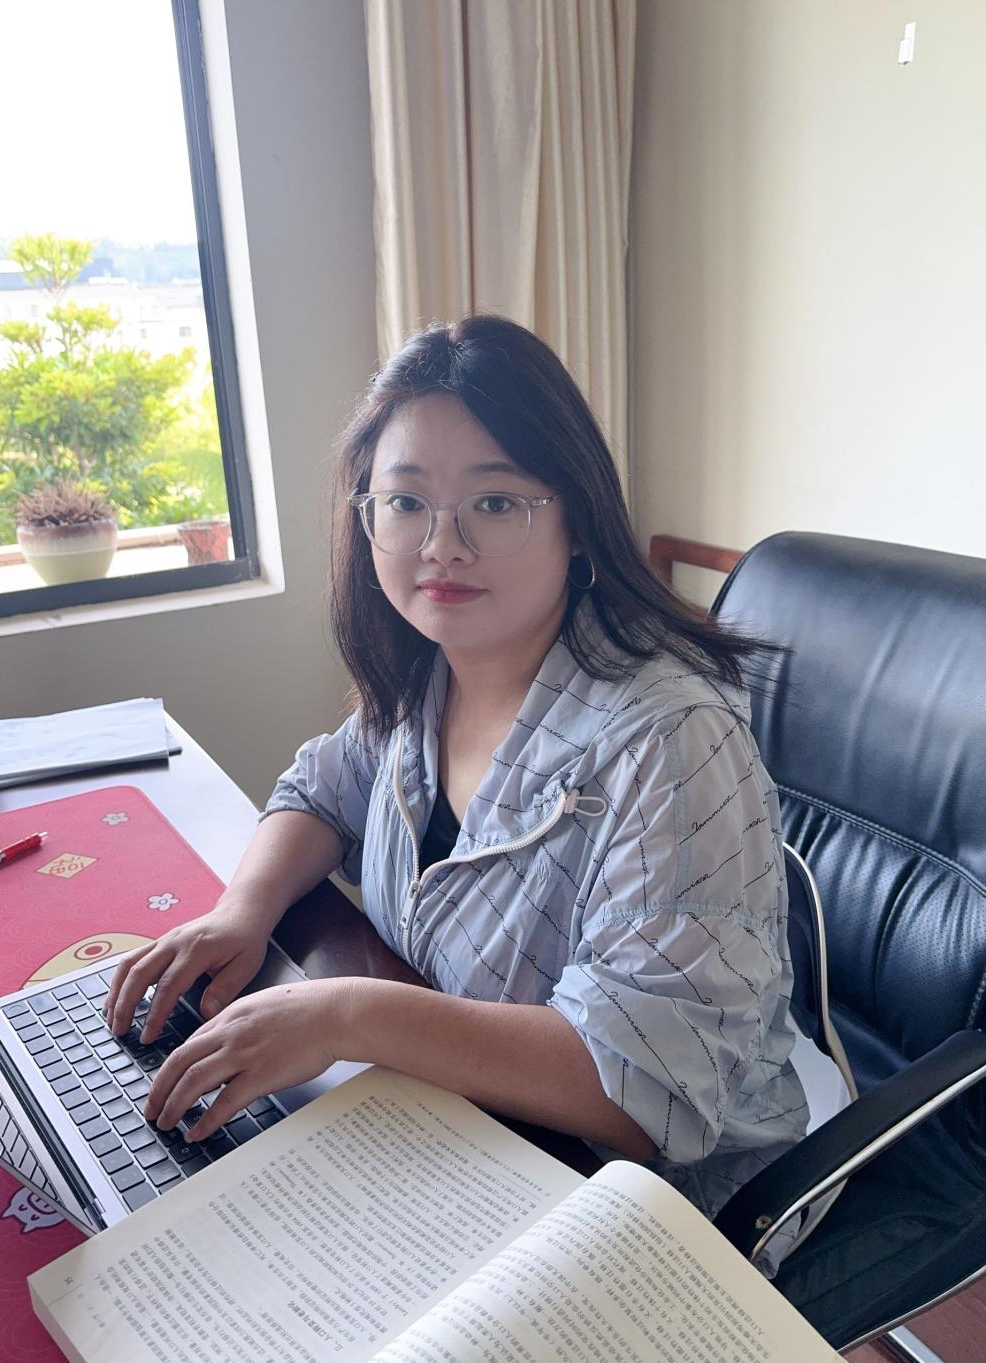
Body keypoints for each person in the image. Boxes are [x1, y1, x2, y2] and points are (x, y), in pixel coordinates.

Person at [106, 313, 809, 1253]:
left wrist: (345, 1014)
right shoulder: (432, 671)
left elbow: (644, 1083)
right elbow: (322, 789)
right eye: (405, 502)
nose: (442, 544)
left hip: (647, 1213)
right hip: (457, 1138)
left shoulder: (669, 740)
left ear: (576, 521)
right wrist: (243, 910)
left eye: (496, 502)